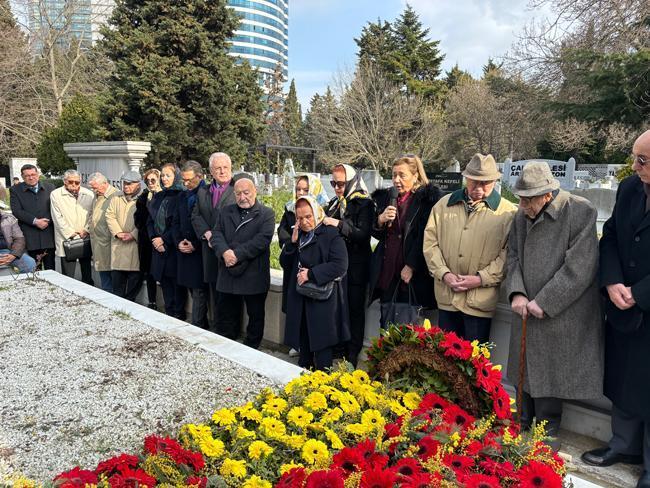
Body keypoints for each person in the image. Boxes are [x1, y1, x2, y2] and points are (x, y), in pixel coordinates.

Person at [505, 162, 603, 452]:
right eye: (520, 198)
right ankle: (522, 418)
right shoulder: (521, 216)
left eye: (528, 199)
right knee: (525, 367)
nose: (522, 205)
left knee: (550, 372)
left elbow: (581, 266)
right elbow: (512, 256)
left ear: (547, 195)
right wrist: (517, 293)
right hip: (526, 307)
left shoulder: (580, 211)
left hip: (560, 312)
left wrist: (545, 302)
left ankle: (547, 429)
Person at [582, 130, 650, 488]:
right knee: (623, 379)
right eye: (634, 158)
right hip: (622, 303)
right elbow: (609, 236)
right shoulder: (628, 189)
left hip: (645, 301)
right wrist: (611, 281)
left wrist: (640, 292)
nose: (635, 166)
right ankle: (623, 446)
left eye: (643, 160)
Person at [423, 154, 517, 343]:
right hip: (447, 297)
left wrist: (480, 279)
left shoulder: (508, 213)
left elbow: (508, 255)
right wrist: (444, 273)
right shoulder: (443, 205)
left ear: (495, 181)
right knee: (443, 362)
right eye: (474, 182)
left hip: (480, 300)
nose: (479, 188)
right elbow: (430, 243)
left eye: (486, 183)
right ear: (466, 178)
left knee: (475, 365)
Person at [370, 155, 444, 326]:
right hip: (388, 270)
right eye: (394, 175)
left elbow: (425, 236)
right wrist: (380, 220)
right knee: (386, 324)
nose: (396, 180)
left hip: (412, 275)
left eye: (402, 175)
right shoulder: (388, 198)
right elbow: (379, 235)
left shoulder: (427, 200)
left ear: (415, 175)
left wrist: (411, 265)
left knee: (409, 329)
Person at [281, 195, 350, 370]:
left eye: (308, 216)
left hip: (322, 301)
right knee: (303, 347)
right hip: (301, 299)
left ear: (317, 212)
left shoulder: (330, 233)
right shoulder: (299, 235)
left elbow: (340, 265)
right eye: (300, 218)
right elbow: (285, 263)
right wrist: (292, 243)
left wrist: (311, 274)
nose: (304, 222)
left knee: (322, 351)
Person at [210, 177, 274, 349]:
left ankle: (252, 348)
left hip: (253, 273)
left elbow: (262, 240)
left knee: (255, 316)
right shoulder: (226, 211)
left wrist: (236, 254)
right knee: (225, 314)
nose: (242, 197)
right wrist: (224, 252)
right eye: (238, 193)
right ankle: (226, 346)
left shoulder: (266, 214)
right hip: (228, 271)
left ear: (255, 192)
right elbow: (216, 234)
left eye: (246, 192)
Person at [323, 164, 374, 367]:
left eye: (341, 183)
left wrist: (338, 224)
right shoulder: (335, 203)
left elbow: (363, 235)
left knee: (354, 311)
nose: (336, 187)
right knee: (337, 310)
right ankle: (338, 349)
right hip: (336, 267)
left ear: (352, 182)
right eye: (333, 183)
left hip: (356, 267)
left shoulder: (364, 204)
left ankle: (352, 354)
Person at [191, 152, 237, 326]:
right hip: (209, 251)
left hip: (228, 250)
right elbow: (196, 216)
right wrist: (207, 233)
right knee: (213, 293)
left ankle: (228, 332)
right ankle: (218, 328)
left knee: (229, 297)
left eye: (226, 167)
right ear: (211, 171)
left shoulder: (236, 189)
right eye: (218, 168)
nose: (222, 171)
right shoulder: (203, 191)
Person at [278, 174, 329, 312]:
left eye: (305, 190)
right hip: (294, 263)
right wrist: (293, 240)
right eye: (298, 189)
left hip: (314, 270)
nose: (300, 193)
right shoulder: (290, 209)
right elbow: (282, 232)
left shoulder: (325, 211)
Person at [148, 163, 187, 319]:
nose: (164, 179)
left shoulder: (181, 196)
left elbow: (178, 224)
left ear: (175, 176)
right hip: (158, 248)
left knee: (176, 285)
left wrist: (164, 240)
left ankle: (178, 315)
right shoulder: (158, 196)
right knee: (165, 284)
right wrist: (154, 239)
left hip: (172, 248)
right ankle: (169, 313)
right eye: (162, 176)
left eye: (168, 175)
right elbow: (149, 221)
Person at [173, 161, 209, 328]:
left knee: (199, 291)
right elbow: (176, 222)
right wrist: (179, 241)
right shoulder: (181, 196)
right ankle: (202, 323)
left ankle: (197, 326)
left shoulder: (207, 194)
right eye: (183, 180)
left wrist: (194, 243)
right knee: (190, 288)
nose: (186, 184)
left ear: (199, 177)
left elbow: (209, 223)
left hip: (200, 250)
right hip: (183, 248)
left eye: (189, 180)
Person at [49, 169, 94, 285]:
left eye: (77, 182)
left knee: (87, 272)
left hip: (84, 237)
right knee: (68, 274)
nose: (74, 184)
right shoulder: (55, 194)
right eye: (70, 182)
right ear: (65, 181)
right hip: (67, 238)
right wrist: (70, 232)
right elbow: (57, 217)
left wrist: (86, 229)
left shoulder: (89, 194)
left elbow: (92, 214)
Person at [9, 164, 56, 270]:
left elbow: (56, 208)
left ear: (38, 174)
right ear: (22, 177)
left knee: (51, 269)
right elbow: (17, 211)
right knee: (33, 269)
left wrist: (47, 221)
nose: (31, 177)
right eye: (27, 176)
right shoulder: (15, 190)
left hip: (48, 236)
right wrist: (35, 221)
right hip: (30, 237)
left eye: (33, 174)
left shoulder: (50, 187)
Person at [105, 171, 141, 301]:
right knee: (117, 284)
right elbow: (110, 215)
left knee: (133, 282)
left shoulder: (143, 198)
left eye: (130, 184)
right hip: (118, 245)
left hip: (135, 246)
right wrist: (117, 232)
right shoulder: (116, 198)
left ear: (138, 184)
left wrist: (133, 234)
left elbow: (145, 220)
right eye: (124, 183)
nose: (126, 186)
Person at [134, 168, 162, 308]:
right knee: (149, 272)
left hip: (161, 240)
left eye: (153, 180)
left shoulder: (164, 196)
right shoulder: (143, 197)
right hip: (146, 240)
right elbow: (138, 219)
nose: (150, 183)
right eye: (147, 181)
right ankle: (152, 301)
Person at [88, 172, 118, 293]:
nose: (93, 190)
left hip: (109, 242)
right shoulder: (98, 196)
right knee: (103, 271)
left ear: (105, 183)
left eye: (95, 187)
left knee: (111, 273)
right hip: (98, 242)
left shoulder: (115, 196)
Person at [0, 208, 36, 273]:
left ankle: (26, 282)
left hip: (7, 251)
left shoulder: (8, 218)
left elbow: (19, 238)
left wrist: (14, 254)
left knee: (30, 263)